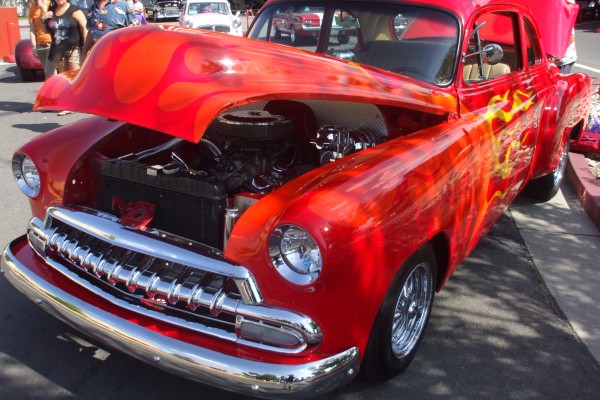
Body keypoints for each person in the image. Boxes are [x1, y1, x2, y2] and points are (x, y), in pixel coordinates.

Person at [29, 0, 55, 79]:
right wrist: (34, 46)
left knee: (50, 72)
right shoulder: (33, 9)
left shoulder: (52, 5)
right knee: (47, 73)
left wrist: (44, 10)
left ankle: (55, 86)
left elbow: (54, 24)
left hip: (51, 43)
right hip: (40, 45)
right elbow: (32, 30)